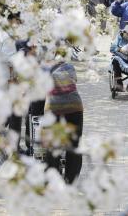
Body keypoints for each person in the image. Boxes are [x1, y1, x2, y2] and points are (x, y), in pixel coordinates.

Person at [45, 51, 84, 184]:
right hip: (75, 107)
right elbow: (74, 81)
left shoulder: (45, 69)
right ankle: (71, 179)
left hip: (54, 109)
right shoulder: (70, 67)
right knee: (74, 143)